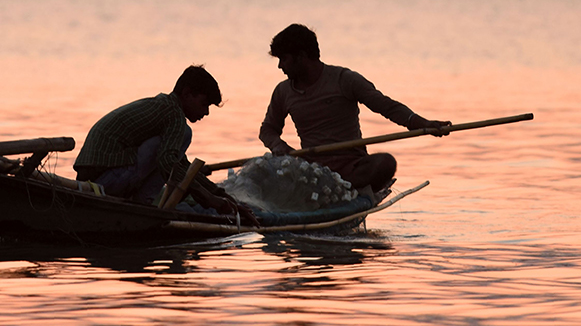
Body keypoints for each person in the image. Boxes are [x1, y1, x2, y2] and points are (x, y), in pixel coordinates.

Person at [259, 24, 450, 192]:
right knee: (265, 169)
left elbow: (386, 106)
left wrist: (423, 124)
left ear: (301, 57)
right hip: (313, 169)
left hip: (353, 166)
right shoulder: (283, 91)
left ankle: (343, 187)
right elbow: (267, 129)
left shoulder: (344, 79)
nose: (280, 66)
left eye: (284, 59)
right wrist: (278, 145)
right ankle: (329, 187)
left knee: (385, 163)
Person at [75, 65, 256, 220]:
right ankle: (142, 204)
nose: (206, 113)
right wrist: (209, 199)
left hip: (97, 179)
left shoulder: (165, 108)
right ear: (186, 94)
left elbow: (182, 167)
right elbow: (168, 163)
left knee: (174, 158)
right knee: (182, 139)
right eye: (203, 104)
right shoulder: (174, 115)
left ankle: (141, 202)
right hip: (101, 182)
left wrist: (223, 198)